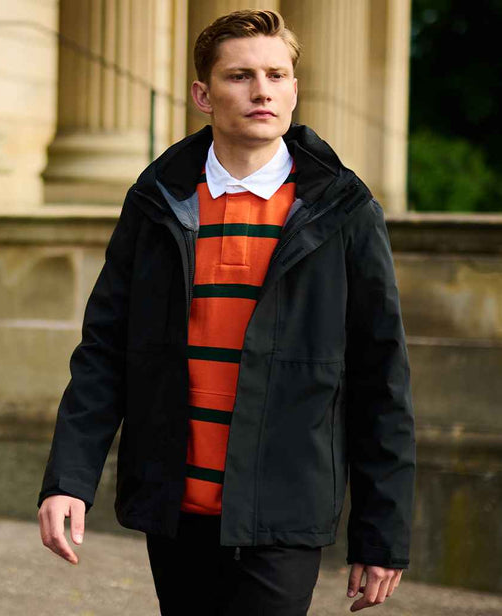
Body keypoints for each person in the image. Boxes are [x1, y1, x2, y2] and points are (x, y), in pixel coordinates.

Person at [37, 9, 416, 615]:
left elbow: (381, 379)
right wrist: (68, 480)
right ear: (202, 95)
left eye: (276, 75)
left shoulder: (344, 211)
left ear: (294, 89)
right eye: (240, 76)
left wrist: (382, 534)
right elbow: (104, 351)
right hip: (175, 505)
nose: (262, 90)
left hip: (284, 511)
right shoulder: (156, 201)